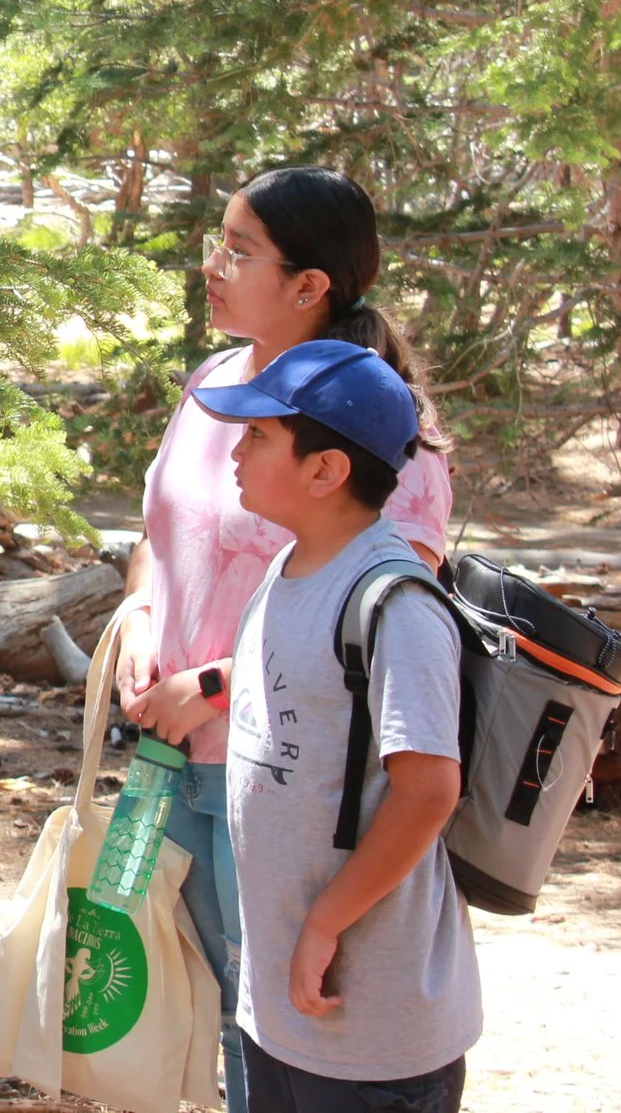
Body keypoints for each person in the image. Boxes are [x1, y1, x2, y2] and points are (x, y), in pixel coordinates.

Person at [117, 167, 451, 1100]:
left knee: (277, 1014)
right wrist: (142, 613)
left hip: (281, 775)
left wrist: (214, 687)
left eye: (239, 250)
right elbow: (161, 535)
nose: (211, 265)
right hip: (165, 754)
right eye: (217, 240)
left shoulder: (387, 430)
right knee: (207, 992)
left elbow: (379, 623)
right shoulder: (214, 385)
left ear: (310, 286)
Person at [184, 340, 478, 1113]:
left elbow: (427, 789)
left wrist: (324, 921)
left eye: (259, 436)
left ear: (325, 470)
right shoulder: (286, 571)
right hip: (283, 1010)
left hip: (372, 1027)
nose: (235, 452)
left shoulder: (395, 603)